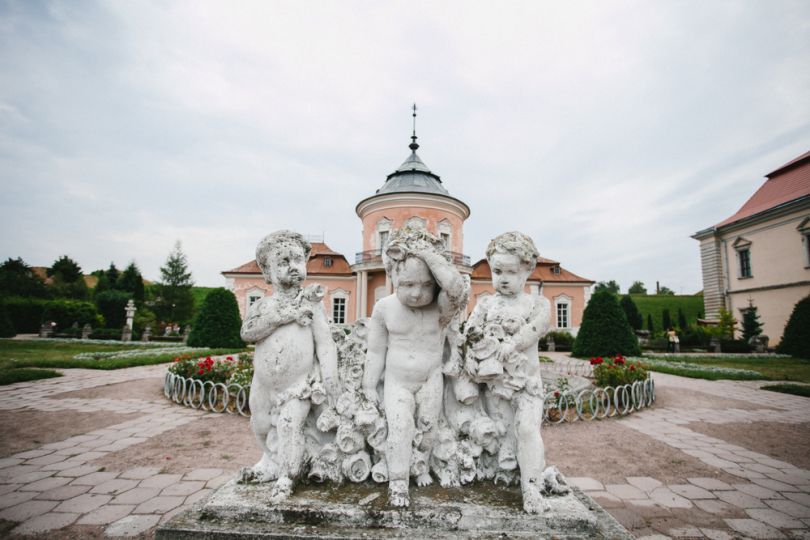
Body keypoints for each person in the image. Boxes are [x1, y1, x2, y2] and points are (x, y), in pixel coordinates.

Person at [362, 227, 468, 508]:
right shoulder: (385, 308)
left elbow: (456, 289)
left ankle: (419, 466)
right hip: (397, 380)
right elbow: (375, 350)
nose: (417, 293)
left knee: (427, 429)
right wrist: (369, 384)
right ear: (393, 275)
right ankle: (398, 482)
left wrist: (426, 253)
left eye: (425, 285)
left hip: (430, 378)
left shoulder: (440, 308)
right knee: (400, 426)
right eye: (407, 284)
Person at [464, 231, 563, 513]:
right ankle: (507, 478)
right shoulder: (485, 304)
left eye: (510, 271)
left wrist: (511, 344)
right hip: (495, 385)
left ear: (528, 269)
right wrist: (470, 354)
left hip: (527, 384)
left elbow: (533, 331)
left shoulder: (537, 304)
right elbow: (469, 332)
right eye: (497, 271)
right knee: (503, 435)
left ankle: (531, 488)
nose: (503, 278)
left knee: (528, 429)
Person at [238, 230, 339, 502]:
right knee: (260, 424)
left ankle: (287, 475)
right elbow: (248, 333)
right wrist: (282, 317)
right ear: (268, 273)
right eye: (283, 261)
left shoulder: (312, 305)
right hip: (263, 385)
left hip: (299, 385)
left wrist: (330, 380)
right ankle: (269, 461)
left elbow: (325, 343)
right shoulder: (263, 306)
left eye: (297, 259)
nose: (292, 266)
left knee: (289, 424)